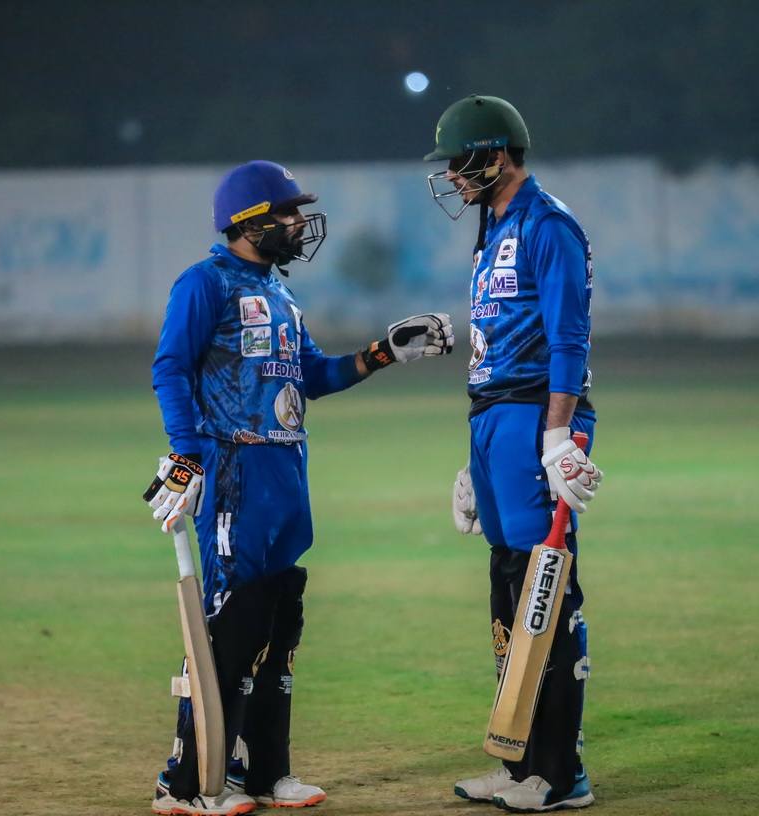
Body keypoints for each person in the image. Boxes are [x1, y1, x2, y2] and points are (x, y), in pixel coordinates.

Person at [143, 159, 454, 816]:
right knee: (230, 626)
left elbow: (311, 377)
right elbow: (170, 368)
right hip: (235, 469)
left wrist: (382, 353)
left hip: (286, 472)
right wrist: (187, 456)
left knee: (279, 623)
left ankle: (265, 772)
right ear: (248, 222)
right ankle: (188, 781)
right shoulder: (204, 283)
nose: (298, 223)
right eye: (286, 212)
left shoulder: (280, 294)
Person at [427, 95, 604, 812]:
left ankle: (561, 774)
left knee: (544, 591)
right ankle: (518, 758)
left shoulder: (547, 224)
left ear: (497, 154)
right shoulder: (493, 226)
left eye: (460, 160)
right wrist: (476, 461)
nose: (451, 175)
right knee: (508, 586)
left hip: (536, 416)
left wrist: (557, 436)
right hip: (495, 421)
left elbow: (569, 339)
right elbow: (493, 348)